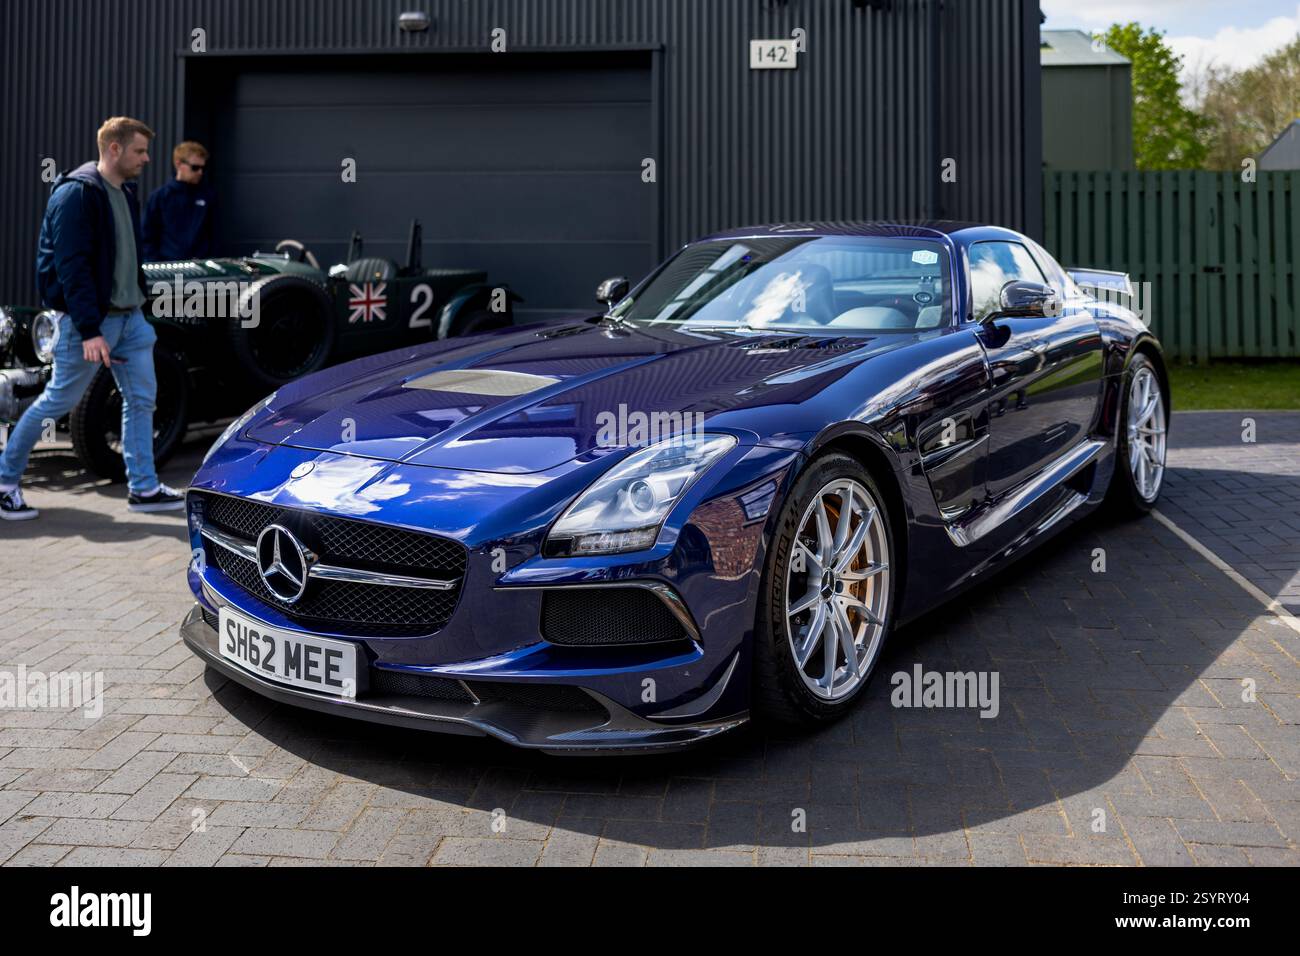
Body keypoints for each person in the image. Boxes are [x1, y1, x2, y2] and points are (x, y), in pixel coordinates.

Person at [0, 116, 184, 520]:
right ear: (114, 148)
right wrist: (88, 329)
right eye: (139, 150)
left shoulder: (126, 192)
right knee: (56, 402)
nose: (147, 158)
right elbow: (72, 266)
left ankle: (144, 488)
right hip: (91, 324)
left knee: (141, 401)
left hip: (132, 320)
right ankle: (5, 482)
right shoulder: (76, 194)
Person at [142, 140, 214, 262]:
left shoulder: (207, 196)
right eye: (195, 168)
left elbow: (214, 235)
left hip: (200, 267)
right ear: (179, 164)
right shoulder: (160, 197)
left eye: (203, 168)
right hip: (167, 268)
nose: (200, 172)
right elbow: (147, 235)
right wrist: (155, 264)